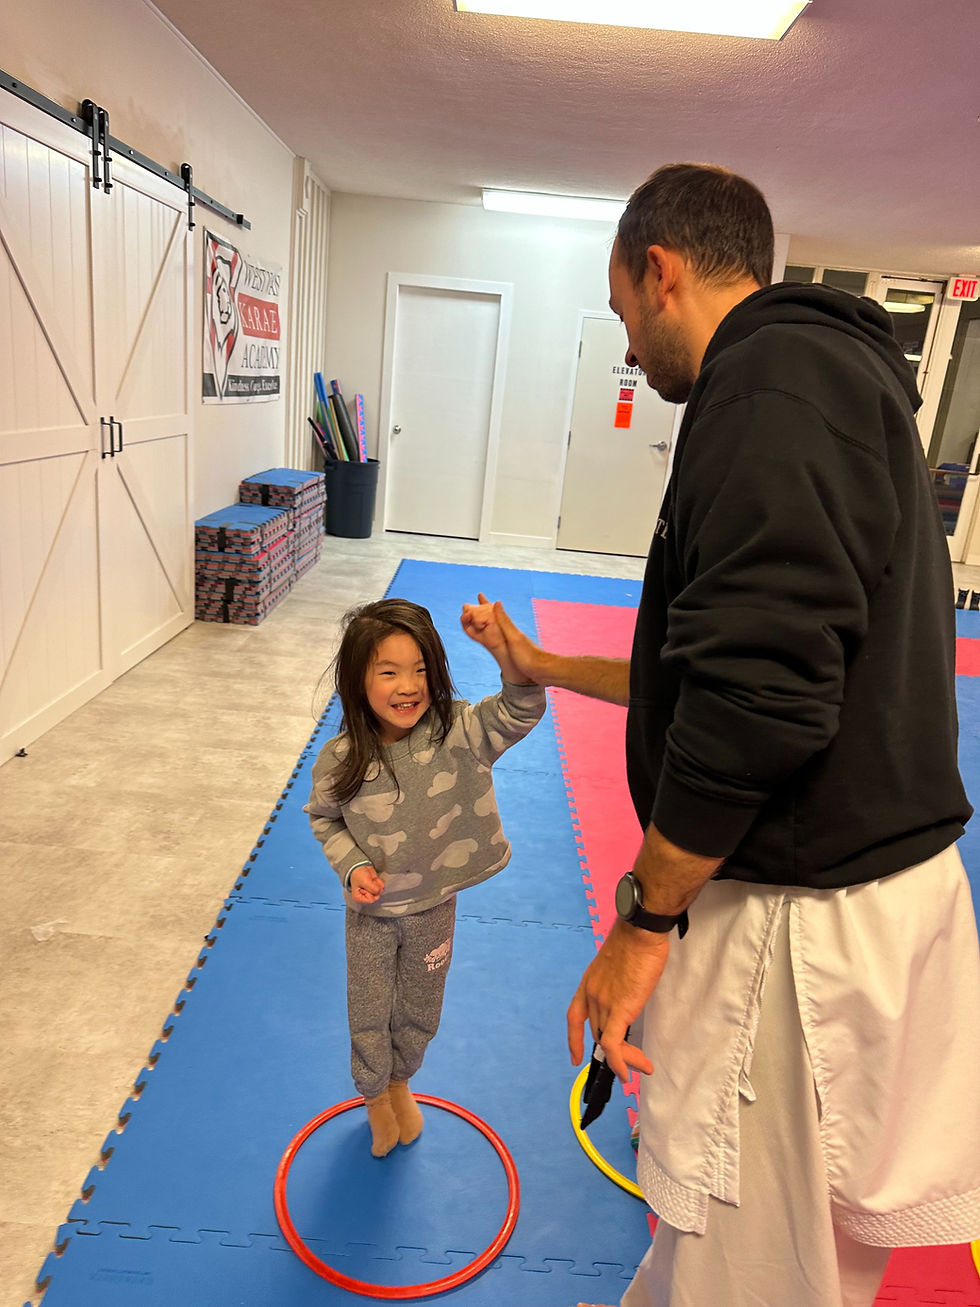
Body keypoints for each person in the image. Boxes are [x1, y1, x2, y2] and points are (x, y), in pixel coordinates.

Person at [479, 163, 980, 1307]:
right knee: (727, 1243)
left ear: (658, 270)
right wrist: (545, 664)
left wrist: (642, 921)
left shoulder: (762, 393)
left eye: (617, 313)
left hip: (798, 924)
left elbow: (755, 702)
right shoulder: (823, 377)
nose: (625, 348)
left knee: (753, 1264)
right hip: (850, 896)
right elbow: (715, 663)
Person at [307, 597, 545, 1157]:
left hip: (434, 906)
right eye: (388, 671)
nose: (407, 685)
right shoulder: (342, 759)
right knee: (368, 1014)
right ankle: (373, 1097)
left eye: (419, 669)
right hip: (372, 916)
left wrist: (505, 653)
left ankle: (399, 1082)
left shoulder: (460, 731)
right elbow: (324, 818)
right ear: (356, 680)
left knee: (419, 1010)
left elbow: (520, 708)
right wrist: (353, 866)